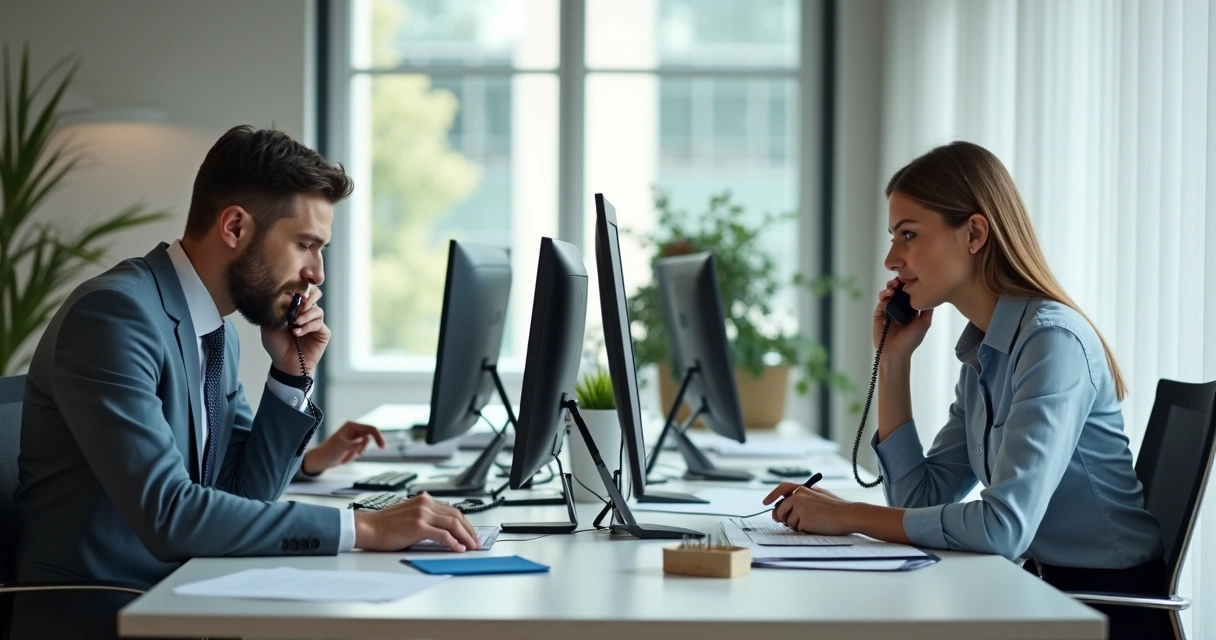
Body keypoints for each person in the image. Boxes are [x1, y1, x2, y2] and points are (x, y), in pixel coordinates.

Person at [12, 126, 479, 640]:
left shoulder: (217, 332)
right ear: (234, 226)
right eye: (306, 245)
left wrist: (289, 374)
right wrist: (363, 528)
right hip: (108, 611)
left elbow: (246, 492)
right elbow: (169, 513)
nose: (317, 273)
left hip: (186, 592)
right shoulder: (115, 316)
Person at [763, 141, 1169, 638]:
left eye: (908, 235)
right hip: (1040, 592)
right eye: (893, 238)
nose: (892, 259)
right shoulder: (985, 349)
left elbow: (1003, 527)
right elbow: (918, 496)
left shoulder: (1051, 342)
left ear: (975, 233)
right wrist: (893, 362)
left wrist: (849, 515)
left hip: (1105, 611)